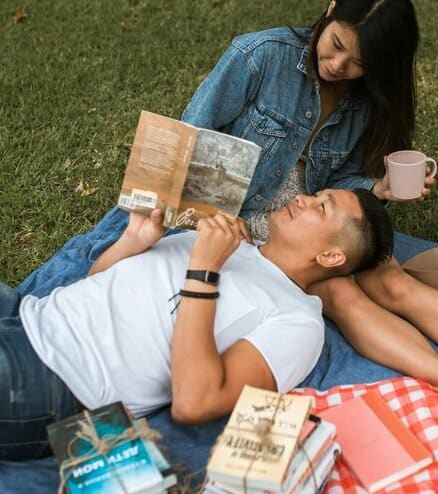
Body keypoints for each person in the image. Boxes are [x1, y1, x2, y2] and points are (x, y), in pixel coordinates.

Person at [17, 0, 438, 419]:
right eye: (335, 47)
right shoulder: (258, 56)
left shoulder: (365, 101)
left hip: (300, 224)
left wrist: (375, 189)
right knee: (343, 294)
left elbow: (337, 184)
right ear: (329, 12)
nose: (338, 67)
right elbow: (189, 138)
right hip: (230, 218)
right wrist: (186, 224)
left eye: (358, 64)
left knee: (385, 280)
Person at [0, 187, 393, 461]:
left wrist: (205, 268)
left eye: (321, 207)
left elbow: (195, 403)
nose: (303, 198)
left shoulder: (298, 321)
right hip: (27, 313)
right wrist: (133, 242)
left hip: (53, 379)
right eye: (315, 194)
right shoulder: (227, 241)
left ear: (330, 256)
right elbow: (97, 288)